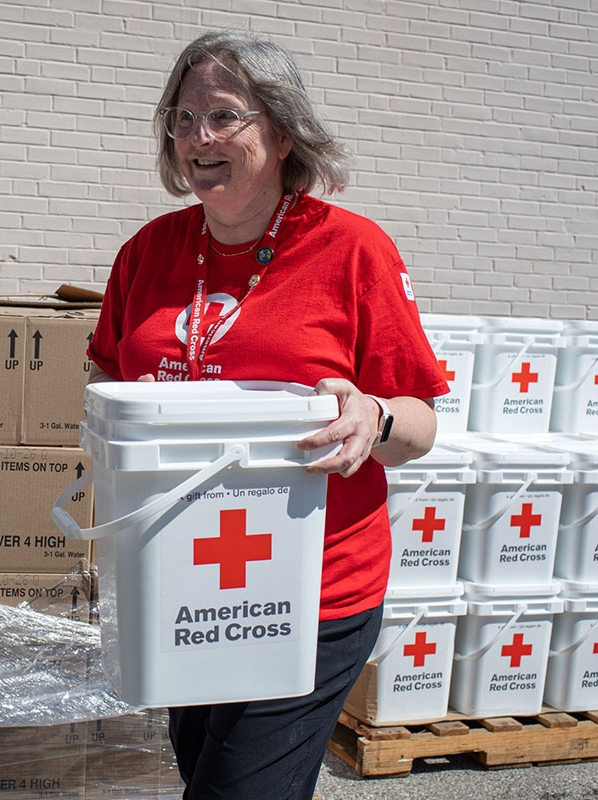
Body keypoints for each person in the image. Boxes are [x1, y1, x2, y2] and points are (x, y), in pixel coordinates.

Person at [87, 29, 449, 800]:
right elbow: (105, 373)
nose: (198, 139)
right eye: (183, 120)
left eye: (223, 116)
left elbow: (420, 424)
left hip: (310, 593)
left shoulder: (352, 253)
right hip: (179, 581)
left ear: (282, 132)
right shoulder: (147, 253)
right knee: (202, 768)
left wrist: (373, 418)